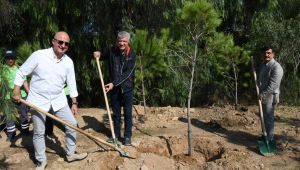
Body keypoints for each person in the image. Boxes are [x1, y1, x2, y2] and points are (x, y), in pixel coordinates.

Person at [12, 31, 87, 170]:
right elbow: (22, 72)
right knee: (39, 132)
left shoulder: (68, 62)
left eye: (66, 44)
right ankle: (41, 161)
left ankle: (70, 154)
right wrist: (16, 89)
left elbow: (71, 84)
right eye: (60, 42)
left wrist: (74, 102)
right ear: (53, 41)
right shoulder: (39, 55)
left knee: (71, 124)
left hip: (59, 100)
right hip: (38, 100)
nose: (63, 45)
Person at [94, 31, 136, 146]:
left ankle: (127, 137)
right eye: (120, 41)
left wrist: (114, 83)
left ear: (128, 42)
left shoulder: (132, 55)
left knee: (127, 114)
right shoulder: (112, 50)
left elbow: (127, 74)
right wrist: (98, 54)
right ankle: (115, 135)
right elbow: (103, 56)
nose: (121, 43)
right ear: (117, 41)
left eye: (124, 41)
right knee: (116, 114)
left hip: (127, 89)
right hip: (114, 90)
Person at [3, 50, 30, 142]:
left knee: (24, 114)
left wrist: (30, 94)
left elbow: (25, 83)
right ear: (5, 59)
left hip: (21, 96)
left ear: (14, 58)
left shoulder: (20, 69)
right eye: (8, 58)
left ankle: (25, 131)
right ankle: (11, 134)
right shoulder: (2, 70)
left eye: (12, 58)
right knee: (9, 116)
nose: (10, 60)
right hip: (8, 97)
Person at [258, 45, 283, 142]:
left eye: (269, 53)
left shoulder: (277, 67)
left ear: (273, 54)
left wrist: (263, 94)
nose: (266, 55)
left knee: (268, 116)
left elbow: (274, 85)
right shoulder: (263, 65)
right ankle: (265, 134)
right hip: (262, 94)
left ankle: (269, 138)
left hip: (270, 95)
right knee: (263, 116)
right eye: (265, 53)